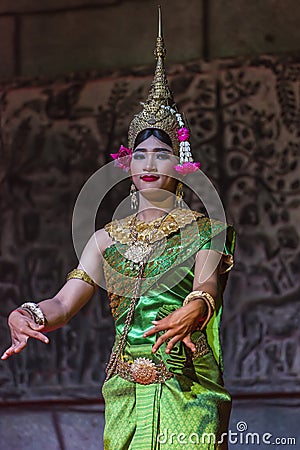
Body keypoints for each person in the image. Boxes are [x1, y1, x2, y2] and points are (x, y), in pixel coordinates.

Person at [2, 7, 235, 450]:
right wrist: (29, 315)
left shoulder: (206, 230)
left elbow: (207, 287)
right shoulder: (104, 239)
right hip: (125, 393)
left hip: (186, 389)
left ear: (181, 164)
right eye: (141, 155)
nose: (150, 164)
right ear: (126, 164)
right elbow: (64, 303)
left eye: (161, 154)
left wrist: (196, 308)